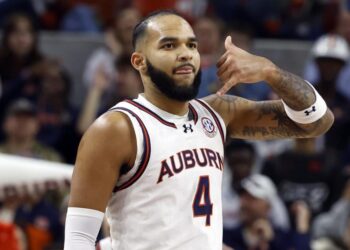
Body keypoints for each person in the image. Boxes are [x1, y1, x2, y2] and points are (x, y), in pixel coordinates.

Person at [64, 10, 333, 250]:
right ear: (139, 61)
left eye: (191, 45)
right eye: (168, 45)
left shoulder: (218, 113)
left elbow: (316, 122)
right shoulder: (117, 129)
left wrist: (271, 72)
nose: (185, 53)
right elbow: (78, 239)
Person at [223, 174, 311, 250]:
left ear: (268, 205)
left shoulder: (283, 238)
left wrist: (302, 224)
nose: (244, 203)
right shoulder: (226, 236)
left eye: (252, 198)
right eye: (242, 197)